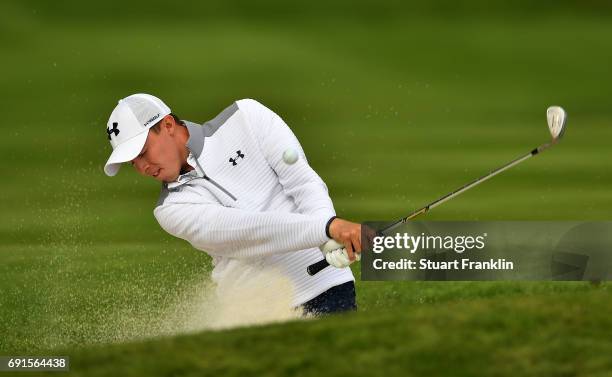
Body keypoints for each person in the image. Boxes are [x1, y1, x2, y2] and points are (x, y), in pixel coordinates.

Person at [103, 93, 362, 315]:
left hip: (330, 288)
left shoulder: (247, 117)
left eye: (142, 152)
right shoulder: (170, 209)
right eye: (132, 162)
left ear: (168, 125)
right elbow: (247, 232)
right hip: (255, 312)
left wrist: (328, 241)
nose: (142, 167)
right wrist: (327, 228)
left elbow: (303, 183)